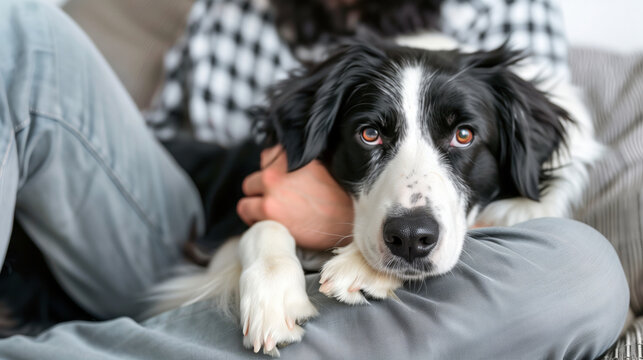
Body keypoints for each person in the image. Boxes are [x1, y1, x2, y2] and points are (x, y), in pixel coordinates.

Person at [0, 0, 629, 359]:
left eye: (458, 135)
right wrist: (272, 215)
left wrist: (333, 223)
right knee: (19, 32)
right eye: (371, 132)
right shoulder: (235, 10)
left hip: (425, 267)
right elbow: (159, 145)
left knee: (583, 271)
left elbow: (552, 164)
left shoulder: (500, 9)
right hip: (181, 223)